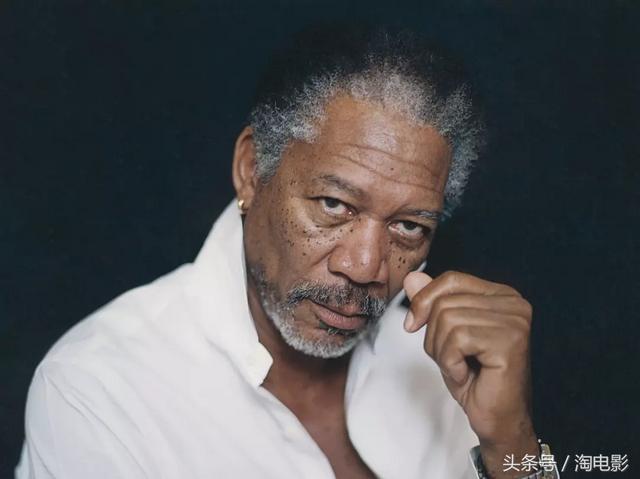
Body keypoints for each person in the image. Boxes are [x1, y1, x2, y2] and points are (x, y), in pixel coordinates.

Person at [16, 26, 558, 479]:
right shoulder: (100, 390)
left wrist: (511, 441)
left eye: (409, 226)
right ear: (252, 170)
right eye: (334, 204)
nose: (365, 267)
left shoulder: (446, 363)